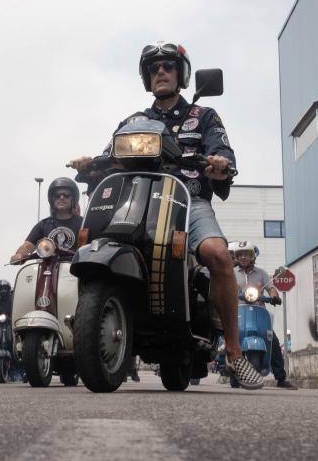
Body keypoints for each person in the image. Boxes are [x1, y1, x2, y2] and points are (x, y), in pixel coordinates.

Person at [68, 41, 264, 389]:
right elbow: (109, 156)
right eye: (154, 67)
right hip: (136, 201)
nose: (161, 71)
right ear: (147, 76)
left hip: (186, 200)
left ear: (181, 74)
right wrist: (90, 165)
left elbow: (221, 150)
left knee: (218, 255)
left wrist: (219, 163)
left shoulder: (204, 117)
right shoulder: (134, 121)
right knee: (92, 243)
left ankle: (234, 352)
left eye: (168, 66)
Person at [230, 241, 297, 390]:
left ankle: (281, 378)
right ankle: (231, 368)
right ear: (236, 257)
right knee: (229, 338)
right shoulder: (232, 273)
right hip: (238, 311)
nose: (243, 257)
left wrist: (274, 296)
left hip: (258, 311)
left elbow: (270, 288)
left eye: (246, 254)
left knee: (272, 340)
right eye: (240, 254)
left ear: (252, 256)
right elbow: (225, 288)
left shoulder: (261, 273)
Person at [10, 177, 81, 263]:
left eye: (66, 195)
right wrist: (19, 255)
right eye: (57, 195)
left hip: (75, 270)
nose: (61, 198)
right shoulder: (43, 225)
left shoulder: (83, 223)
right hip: (47, 271)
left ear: (73, 198)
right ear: (52, 199)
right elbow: (27, 246)